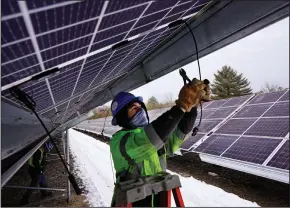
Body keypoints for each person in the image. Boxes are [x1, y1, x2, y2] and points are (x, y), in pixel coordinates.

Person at [110, 78, 210, 207]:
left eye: (141, 107)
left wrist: (192, 109)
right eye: (134, 108)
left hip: (159, 195)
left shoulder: (152, 136)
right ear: (122, 116)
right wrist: (182, 105)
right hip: (134, 201)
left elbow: (176, 137)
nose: (140, 111)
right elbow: (148, 140)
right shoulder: (119, 141)